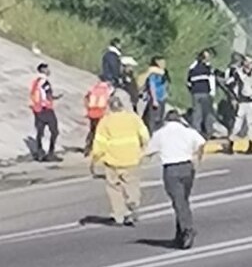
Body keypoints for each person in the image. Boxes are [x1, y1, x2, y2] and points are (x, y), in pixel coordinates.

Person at [144, 111, 206, 249]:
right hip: (187, 167)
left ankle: (187, 229)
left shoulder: (160, 133)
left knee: (179, 202)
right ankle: (180, 236)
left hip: (171, 169)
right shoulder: (187, 131)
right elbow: (201, 143)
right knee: (183, 201)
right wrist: (198, 159)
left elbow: (148, 151)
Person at [91, 95, 150, 226]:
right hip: (132, 159)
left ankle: (119, 215)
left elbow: (99, 142)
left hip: (112, 160)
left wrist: (95, 158)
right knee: (132, 184)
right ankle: (133, 203)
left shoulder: (105, 121)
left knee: (114, 188)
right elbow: (144, 136)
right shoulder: (133, 118)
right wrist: (144, 149)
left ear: (110, 107)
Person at [226, 55, 252, 155]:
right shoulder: (238, 74)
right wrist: (234, 97)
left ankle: (250, 147)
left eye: (251, 62)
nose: (249, 64)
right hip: (242, 102)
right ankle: (231, 145)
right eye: (247, 62)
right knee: (237, 125)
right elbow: (229, 84)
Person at [29, 63, 62, 162]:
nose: (49, 71)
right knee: (54, 131)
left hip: (37, 109)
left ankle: (39, 152)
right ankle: (50, 153)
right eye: (47, 69)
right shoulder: (45, 82)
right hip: (46, 109)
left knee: (40, 132)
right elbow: (48, 95)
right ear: (43, 70)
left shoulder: (35, 81)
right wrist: (55, 97)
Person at [186, 49, 216, 138]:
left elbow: (188, 83)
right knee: (207, 113)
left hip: (195, 93)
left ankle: (196, 132)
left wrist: (192, 90)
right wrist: (212, 93)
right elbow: (211, 81)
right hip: (205, 93)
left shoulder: (192, 69)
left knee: (197, 113)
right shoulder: (208, 68)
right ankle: (208, 132)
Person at [84, 76, 113, 156]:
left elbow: (86, 98)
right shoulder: (108, 90)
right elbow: (109, 101)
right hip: (101, 114)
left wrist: (87, 110)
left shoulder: (94, 88)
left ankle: (88, 147)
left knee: (93, 130)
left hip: (92, 113)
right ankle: (101, 149)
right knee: (102, 132)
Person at [139, 56, 170, 132]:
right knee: (153, 118)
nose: (164, 64)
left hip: (162, 97)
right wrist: (154, 99)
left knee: (160, 117)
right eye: (161, 62)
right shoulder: (153, 74)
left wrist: (166, 93)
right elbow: (152, 86)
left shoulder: (163, 72)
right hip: (155, 97)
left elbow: (166, 84)